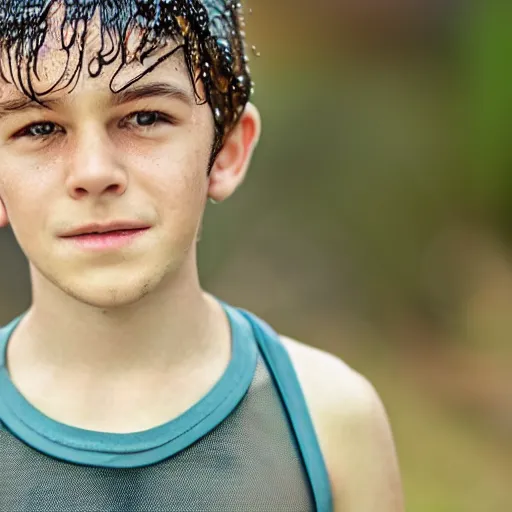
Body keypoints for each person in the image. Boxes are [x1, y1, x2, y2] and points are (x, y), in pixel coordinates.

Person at [0, 1, 404, 510]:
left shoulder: (331, 422)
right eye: (39, 129)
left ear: (227, 150)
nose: (94, 171)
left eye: (145, 117)